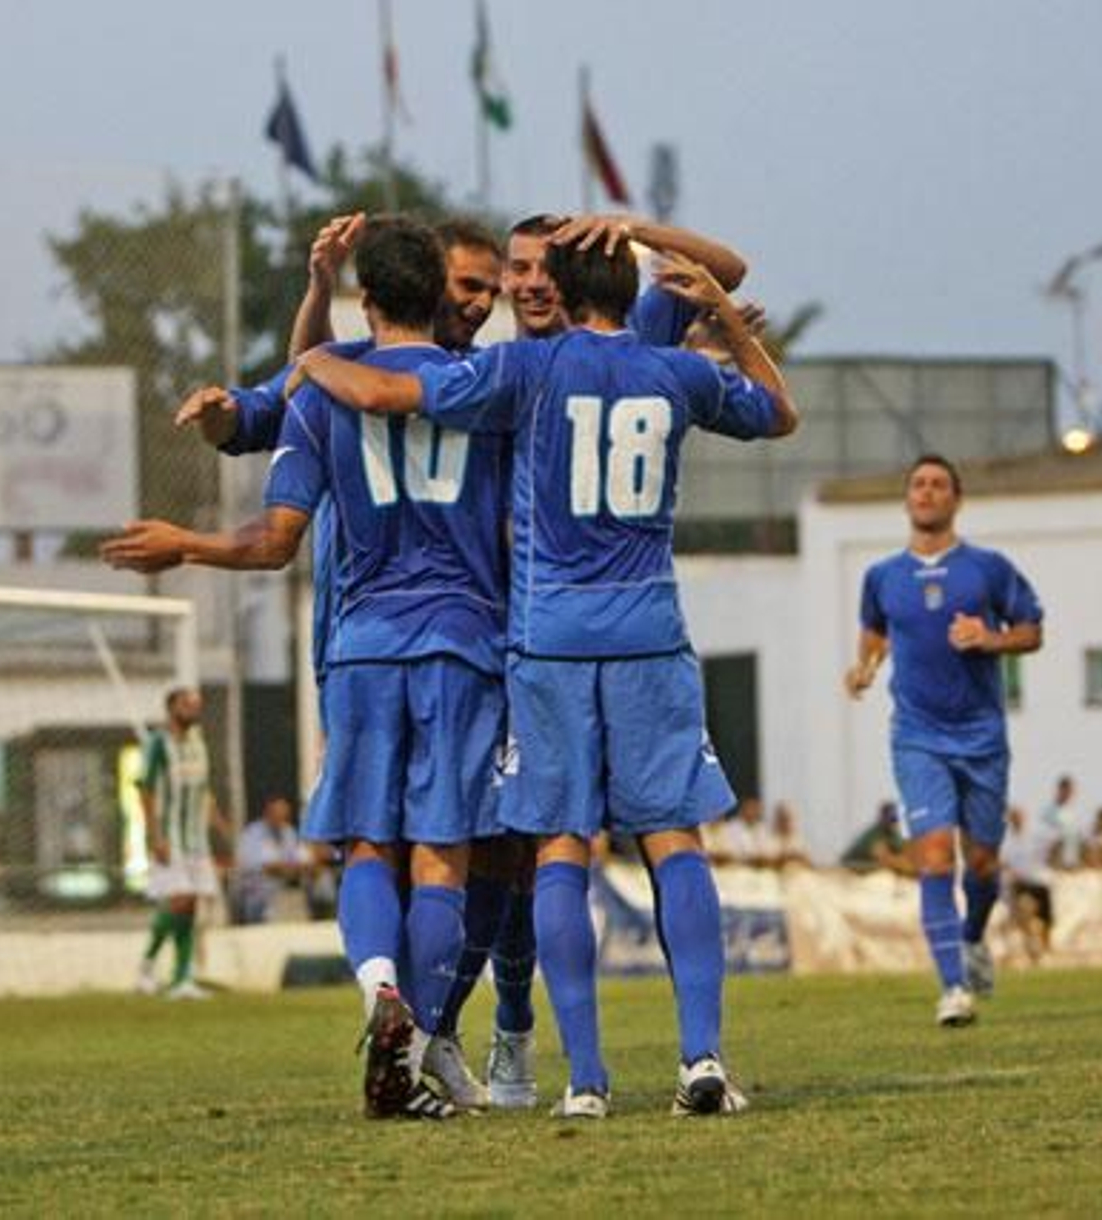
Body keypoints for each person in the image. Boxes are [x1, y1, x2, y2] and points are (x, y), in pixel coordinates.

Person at [295, 237, 798, 1119]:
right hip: (648, 631)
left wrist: (307, 359)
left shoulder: (523, 369)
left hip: (546, 637)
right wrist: (721, 318)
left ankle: (586, 1081)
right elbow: (780, 413)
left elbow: (383, 392)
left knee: (560, 848)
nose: (523, 285)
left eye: (535, 273)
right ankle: (702, 1059)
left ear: (559, 290)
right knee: (674, 840)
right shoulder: (675, 371)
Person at [105, 215, 509, 1122]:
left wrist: (185, 545)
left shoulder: (324, 392)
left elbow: (274, 540)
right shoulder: (489, 386)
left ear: (367, 299)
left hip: (362, 648)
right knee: (442, 855)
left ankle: (380, 991)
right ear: (440, 292)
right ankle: (426, 1035)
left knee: (366, 844)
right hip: (464, 646)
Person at [845, 454, 1044, 1027]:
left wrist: (990, 638)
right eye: (918, 484)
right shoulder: (882, 576)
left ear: (957, 499)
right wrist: (864, 667)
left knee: (981, 862)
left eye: (938, 485)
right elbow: (875, 632)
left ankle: (973, 936)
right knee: (933, 854)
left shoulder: (987, 569)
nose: (927, 492)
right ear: (907, 499)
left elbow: (1032, 630)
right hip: (917, 735)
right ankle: (953, 987)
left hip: (982, 737)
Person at [135, 688, 225, 1000]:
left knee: (191, 904)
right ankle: (147, 965)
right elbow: (145, 790)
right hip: (169, 836)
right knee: (179, 899)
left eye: (197, 705)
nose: (194, 709)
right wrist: (154, 836)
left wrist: (217, 821)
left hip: (196, 839)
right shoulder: (158, 744)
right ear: (172, 707)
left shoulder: (198, 743)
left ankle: (182, 978)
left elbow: (203, 789)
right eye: (187, 704)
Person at [234, 795, 311, 924]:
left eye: (285, 815)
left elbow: (303, 861)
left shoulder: (289, 832)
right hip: (255, 891)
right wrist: (283, 868)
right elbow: (256, 866)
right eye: (278, 815)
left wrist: (286, 868)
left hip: (284, 891)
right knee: (260, 898)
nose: (281, 819)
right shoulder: (252, 833)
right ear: (268, 813)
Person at [999, 805, 1055, 961]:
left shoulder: (1035, 836)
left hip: (1038, 883)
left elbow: (1051, 847)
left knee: (1046, 919)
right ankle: (1032, 948)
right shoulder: (1006, 841)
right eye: (1014, 817)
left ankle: (1044, 946)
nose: (1018, 820)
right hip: (1019, 885)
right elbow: (1002, 862)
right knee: (1025, 910)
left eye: (1019, 817)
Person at [840, 801, 916, 875]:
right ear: (883, 818)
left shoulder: (894, 834)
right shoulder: (875, 835)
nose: (895, 822)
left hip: (870, 869)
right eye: (892, 819)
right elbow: (886, 859)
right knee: (886, 872)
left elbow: (904, 852)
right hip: (851, 869)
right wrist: (911, 869)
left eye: (897, 819)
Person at [1038, 774, 1081, 869]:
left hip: (1071, 862)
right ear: (1060, 790)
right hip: (1054, 862)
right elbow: (1046, 837)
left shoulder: (1073, 811)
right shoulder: (1049, 811)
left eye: (1071, 791)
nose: (1070, 794)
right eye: (1067, 790)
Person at [770, 802, 812, 868]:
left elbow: (808, 861)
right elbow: (769, 860)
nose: (786, 823)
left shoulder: (799, 840)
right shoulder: (770, 839)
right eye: (783, 819)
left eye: (788, 819)